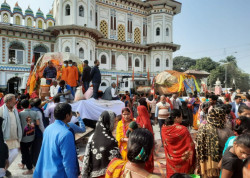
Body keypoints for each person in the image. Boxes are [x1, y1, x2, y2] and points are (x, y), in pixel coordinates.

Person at [33, 103, 79, 178]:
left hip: (45, 172)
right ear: (67, 116)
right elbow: (69, 162)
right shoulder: (66, 133)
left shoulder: (48, 128)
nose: (72, 115)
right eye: (71, 113)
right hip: (58, 173)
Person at [196, 107, 234, 178]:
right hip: (221, 163)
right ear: (221, 117)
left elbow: (198, 147)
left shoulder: (202, 129)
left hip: (205, 164)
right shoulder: (228, 132)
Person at [81, 111, 121, 178]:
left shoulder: (92, 137)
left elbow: (87, 157)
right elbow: (117, 163)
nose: (116, 124)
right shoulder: (111, 141)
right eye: (114, 121)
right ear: (108, 123)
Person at [161, 109, 195, 178]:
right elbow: (190, 145)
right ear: (176, 118)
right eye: (181, 117)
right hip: (183, 161)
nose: (182, 118)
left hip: (170, 159)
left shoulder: (164, 129)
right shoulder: (183, 129)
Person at [0, 94, 22, 177]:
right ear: (9, 101)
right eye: (14, 99)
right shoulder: (1, 110)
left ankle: (4, 169)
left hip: (14, 137)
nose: (15, 101)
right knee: (2, 156)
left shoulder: (15, 110)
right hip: (5, 138)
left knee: (15, 153)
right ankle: (2, 171)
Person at [18, 99, 40, 175]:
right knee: (26, 152)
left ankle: (30, 169)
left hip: (23, 137)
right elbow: (38, 123)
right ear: (29, 105)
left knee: (25, 153)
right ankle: (23, 163)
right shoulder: (34, 112)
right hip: (32, 136)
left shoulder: (20, 114)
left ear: (21, 106)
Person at [136, 105, 154, 173]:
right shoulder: (139, 118)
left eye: (138, 110)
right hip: (140, 140)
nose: (137, 112)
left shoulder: (145, 121)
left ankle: (147, 170)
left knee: (146, 155)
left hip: (145, 141)